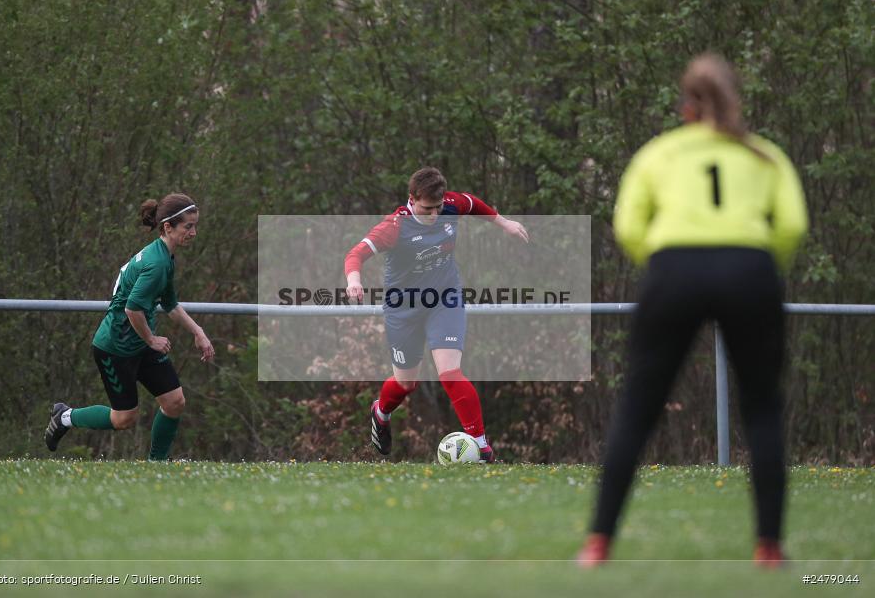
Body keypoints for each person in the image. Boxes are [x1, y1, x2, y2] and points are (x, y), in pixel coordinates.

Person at [577, 54, 808, 567]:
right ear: (734, 102)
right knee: (762, 409)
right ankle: (769, 548)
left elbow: (628, 224)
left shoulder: (660, 153)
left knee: (638, 406)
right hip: (749, 269)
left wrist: (661, 263)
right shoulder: (764, 155)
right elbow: (792, 225)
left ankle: (598, 544)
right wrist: (762, 265)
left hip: (675, 270)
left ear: (686, 107)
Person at [344, 167, 529, 462]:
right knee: (406, 383)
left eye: (438, 208)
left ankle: (482, 447)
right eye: (427, 209)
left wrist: (504, 222)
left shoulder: (450, 205)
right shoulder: (394, 226)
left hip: (445, 299)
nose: (434, 215)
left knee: (450, 373)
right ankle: (381, 412)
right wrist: (354, 281)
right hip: (403, 310)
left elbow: (472, 203)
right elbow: (355, 254)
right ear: (412, 199)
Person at [44, 193, 215, 460]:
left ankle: (157, 465)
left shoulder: (166, 257)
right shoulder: (156, 263)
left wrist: (198, 333)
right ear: (168, 227)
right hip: (115, 348)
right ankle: (65, 416)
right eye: (188, 226)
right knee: (124, 419)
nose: (194, 232)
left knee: (174, 402)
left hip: (140, 341)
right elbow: (132, 308)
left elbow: (170, 303)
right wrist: (152, 340)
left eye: (195, 226)